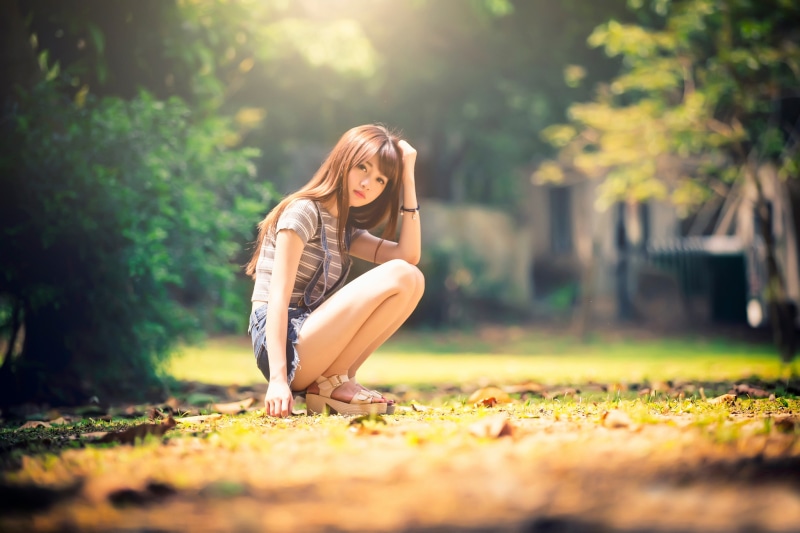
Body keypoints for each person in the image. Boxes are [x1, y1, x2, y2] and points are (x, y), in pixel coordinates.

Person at [245, 124, 424, 418]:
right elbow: (277, 298)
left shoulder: (343, 229)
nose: (368, 183)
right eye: (362, 168)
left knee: (412, 279)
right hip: (282, 344)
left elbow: (409, 255)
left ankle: (334, 383)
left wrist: (407, 177)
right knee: (402, 274)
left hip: (310, 337)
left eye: (380, 179)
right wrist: (277, 380)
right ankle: (335, 380)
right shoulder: (303, 211)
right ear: (343, 160)